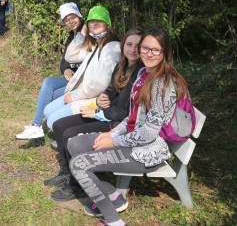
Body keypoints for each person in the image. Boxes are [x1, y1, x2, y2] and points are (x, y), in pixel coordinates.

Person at [67, 27, 189, 225]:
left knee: (79, 165)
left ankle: (113, 221)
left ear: (164, 53)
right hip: (132, 139)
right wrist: (112, 134)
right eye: (145, 48)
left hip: (149, 151)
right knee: (74, 145)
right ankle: (114, 196)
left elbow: (149, 133)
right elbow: (133, 117)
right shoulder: (143, 73)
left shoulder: (164, 84)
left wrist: (113, 140)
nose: (148, 53)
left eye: (155, 50)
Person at [48, 27, 144, 202]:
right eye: (129, 44)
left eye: (138, 46)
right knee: (59, 125)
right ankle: (66, 172)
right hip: (107, 115)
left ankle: (77, 187)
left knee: (69, 134)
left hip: (119, 125)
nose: (133, 49)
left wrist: (102, 110)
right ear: (123, 46)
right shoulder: (121, 66)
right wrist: (102, 100)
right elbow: (109, 92)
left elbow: (130, 113)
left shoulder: (141, 74)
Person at [42, 5, 120, 129]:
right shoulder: (95, 46)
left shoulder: (112, 48)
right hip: (82, 93)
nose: (94, 25)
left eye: (98, 22)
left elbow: (99, 85)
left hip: (94, 99)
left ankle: (76, 132)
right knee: (47, 110)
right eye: (91, 23)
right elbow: (70, 56)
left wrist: (74, 96)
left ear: (107, 24)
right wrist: (81, 35)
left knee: (52, 122)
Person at [15, 3, 85, 139]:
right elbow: (64, 61)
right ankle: (37, 125)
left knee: (50, 96)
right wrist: (66, 70)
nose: (70, 21)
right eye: (66, 20)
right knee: (49, 83)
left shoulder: (86, 33)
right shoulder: (71, 36)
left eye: (72, 17)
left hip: (83, 80)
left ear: (79, 16)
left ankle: (37, 125)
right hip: (72, 78)